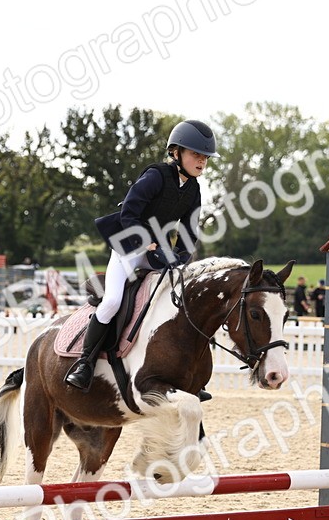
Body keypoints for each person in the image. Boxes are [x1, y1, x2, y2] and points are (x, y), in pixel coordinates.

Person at [65, 119, 218, 391]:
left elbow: (189, 231)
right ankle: (85, 364)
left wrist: (181, 259)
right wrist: (148, 243)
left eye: (205, 157)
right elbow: (129, 213)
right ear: (176, 152)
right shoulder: (156, 176)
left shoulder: (193, 188)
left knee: (180, 299)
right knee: (112, 300)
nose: (202, 161)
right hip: (129, 247)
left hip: (158, 252)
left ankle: (188, 373)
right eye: (196, 154)